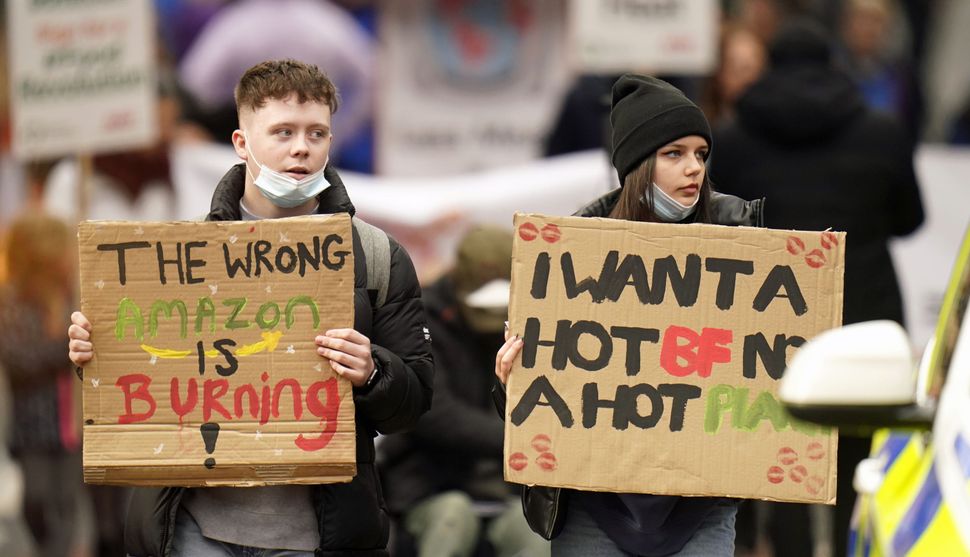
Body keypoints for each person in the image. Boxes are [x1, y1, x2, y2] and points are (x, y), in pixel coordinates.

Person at [67, 59, 434, 557]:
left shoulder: (375, 257)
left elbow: (413, 404)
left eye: (316, 133)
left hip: (317, 537)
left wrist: (373, 371)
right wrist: (94, 354)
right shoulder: (176, 255)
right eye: (282, 132)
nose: (301, 147)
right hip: (192, 531)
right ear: (242, 143)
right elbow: (136, 383)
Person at [495, 74, 764, 556]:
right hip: (593, 507)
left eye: (701, 154)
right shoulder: (568, 255)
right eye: (674, 154)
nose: (694, 169)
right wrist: (508, 379)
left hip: (700, 505)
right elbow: (533, 407)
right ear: (638, 164)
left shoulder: (740, 239)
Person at [710, 18, 924, 557]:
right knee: (860, 460)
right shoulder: (880, 130)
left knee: (779, 458)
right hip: (865, 320)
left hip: (769, 321)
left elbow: (720, 231)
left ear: (770, 66)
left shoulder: (733, 138)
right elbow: (909, 219)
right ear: (832, 65)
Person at [379, 225, 549, 557]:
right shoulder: (418, 320)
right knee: (452, 521)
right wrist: (521, 440)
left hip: (504, 491)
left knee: (536, 537)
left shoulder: (532, 323)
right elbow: (433, 413)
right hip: (427, 486)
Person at [0, 213, 95, 557]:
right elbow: (20, 358)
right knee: (37, 502)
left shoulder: (68, 295)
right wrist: (66, 347)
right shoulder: (11, 301)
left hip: (67, 426)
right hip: (31, 430)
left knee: (66, 506)